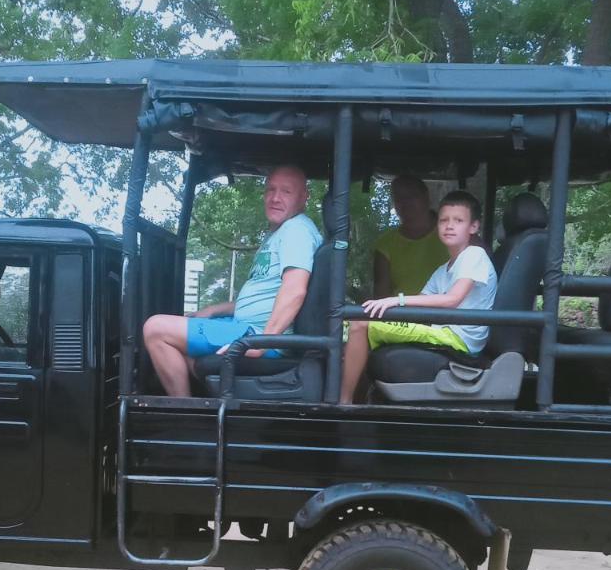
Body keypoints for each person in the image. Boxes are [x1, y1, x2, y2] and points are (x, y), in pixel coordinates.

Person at [143, 165, 320, 397]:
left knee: (155, 328)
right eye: (271, 190)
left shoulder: (297, 231)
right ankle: (203, 409)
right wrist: (214, 309)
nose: (275, 198)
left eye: (286, 192)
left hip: (260, 336)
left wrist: (260, 342)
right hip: (246, 328)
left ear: (303, 197)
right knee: (179, 339)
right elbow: (264, 295)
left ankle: (183, 413)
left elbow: (295, 290)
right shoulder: (279, 233)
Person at [340, 190, 496, 403]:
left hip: (459, 340)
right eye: (444, 220)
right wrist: (387, 313)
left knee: (360, 324)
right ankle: (361, 399)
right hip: (444, 333)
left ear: (474, 227)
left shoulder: (474, 254)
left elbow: (452, 300)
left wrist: (396, 300)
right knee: (364, 320)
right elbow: (417, 309)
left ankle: (344, 403)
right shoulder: (444, 269)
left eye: (458, 220)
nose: (449, 226)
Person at [373, 175, 445, 298]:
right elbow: (381, 296)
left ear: (426, 197)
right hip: (400, 315)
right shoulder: (385, 244)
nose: (405, 202)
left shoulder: (453, 232)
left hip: (449, 315)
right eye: (398, 198)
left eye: (411, 196)